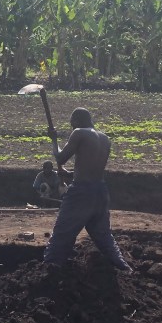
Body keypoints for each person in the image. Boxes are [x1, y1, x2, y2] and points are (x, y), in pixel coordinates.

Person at [43, 108, 132, 272]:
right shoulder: (105, 139)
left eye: (72, 124)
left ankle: (49, 270)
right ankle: (125, 269)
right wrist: (69, 174)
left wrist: (54, 140)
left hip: (81, 193)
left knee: (62, 234)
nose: (71, 127)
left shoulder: (79, 132)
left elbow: (61, 158)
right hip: (100, 192)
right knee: (104, 237)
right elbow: (91, 169)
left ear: (76, 120)